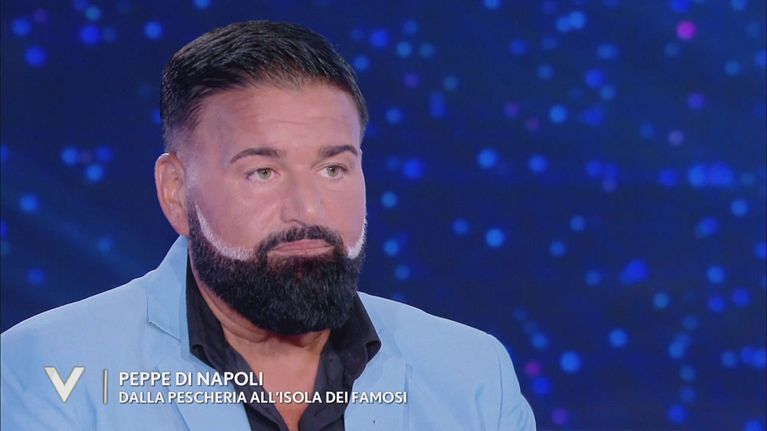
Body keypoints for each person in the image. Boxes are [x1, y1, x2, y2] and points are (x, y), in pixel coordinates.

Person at [1, 21, 535, 430]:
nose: (308, 210)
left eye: (333, 169)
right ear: (176, 192)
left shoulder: (472, 373)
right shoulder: (50, 368)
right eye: (263, 172)